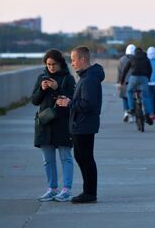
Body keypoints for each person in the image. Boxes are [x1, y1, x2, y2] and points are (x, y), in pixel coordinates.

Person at [56, 46, 105, 204]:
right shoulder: (86, 77)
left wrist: (69, 103)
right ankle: (89, 191)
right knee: (82, 157)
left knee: (86, 159)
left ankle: (90, 193)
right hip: (81, 125)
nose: (72, 63)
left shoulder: (89, 79)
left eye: (74, 60)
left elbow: (88, 104)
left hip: (84, 125)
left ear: (82, 59)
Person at [32, 49, 76, 202]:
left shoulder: (68, 78)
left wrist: (58, 88)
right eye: (48, 64)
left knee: (66, 157)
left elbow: (72, 98)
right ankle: (52, 189)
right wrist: (42, 89)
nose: (51, 67)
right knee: (48, 160)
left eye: (54, 64)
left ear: (61, 63)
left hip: (63, 123)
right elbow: (34, 100)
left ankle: (66, 190)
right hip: (45, 123)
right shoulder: (41, 77)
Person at [120, 47, 154, 125]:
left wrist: (122, 81)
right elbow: (150, 69)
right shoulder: (146, 58)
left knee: (129, 91)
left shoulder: (132, 58)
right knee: (146, 96)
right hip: (144, 78)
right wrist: (148, 78)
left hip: (134, 77)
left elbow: (125, 69)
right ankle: (147, 113)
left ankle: (131, 108)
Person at [117, 44, 135, 122]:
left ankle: (126, 112)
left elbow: (119, 72)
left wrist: (118, 82)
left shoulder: (121, 60)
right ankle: (132, 115)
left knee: (124, 98)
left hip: (124, 81)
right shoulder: (136, 59)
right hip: (134, 82)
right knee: (133, 98)